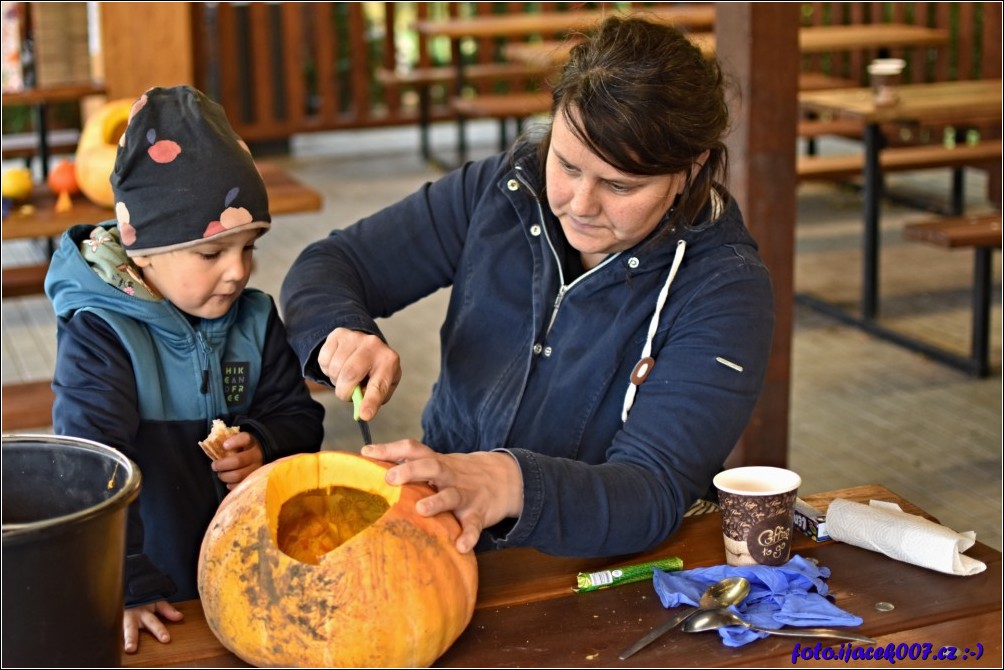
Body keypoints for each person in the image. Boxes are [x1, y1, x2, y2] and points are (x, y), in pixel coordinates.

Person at [280, 17, 773, 559]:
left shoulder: (724, 288)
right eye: (566, 164)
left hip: (589, 577)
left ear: (691, 167)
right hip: (443, 535)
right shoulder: (503, 190)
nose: (580, 205)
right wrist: (341, 331)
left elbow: (652, 490)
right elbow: (334, 262)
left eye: (619, 185)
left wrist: (507, 481)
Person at [45, 86, 325, 654]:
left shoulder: (255, 320)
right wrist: (124, 582)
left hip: (251, 572)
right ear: (143, 252)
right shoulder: (102, 335)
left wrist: (264, 443)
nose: (237, 271)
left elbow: (299, 417)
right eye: (211, 253)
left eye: (248, 248)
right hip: (154, 585)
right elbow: (87, 468)